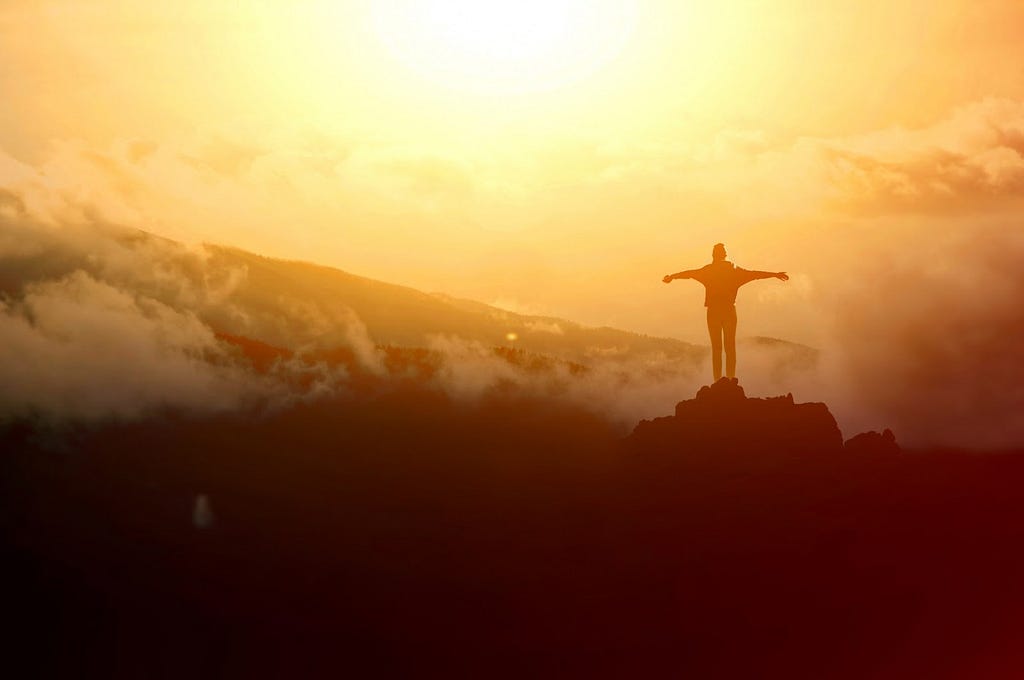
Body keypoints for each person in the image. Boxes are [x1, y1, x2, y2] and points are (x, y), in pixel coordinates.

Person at [663, 243, 788, 382]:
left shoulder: (708, 271)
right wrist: (775, 275)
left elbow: (689, 274)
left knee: (717, 348)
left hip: (713, 311)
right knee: (730, 347)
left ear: (713, 255)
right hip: (729, 310)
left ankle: (717, 381)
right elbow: (754, 275)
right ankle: (730, 380)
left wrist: (672, 277)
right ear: (725, 255)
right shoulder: (734, 271)